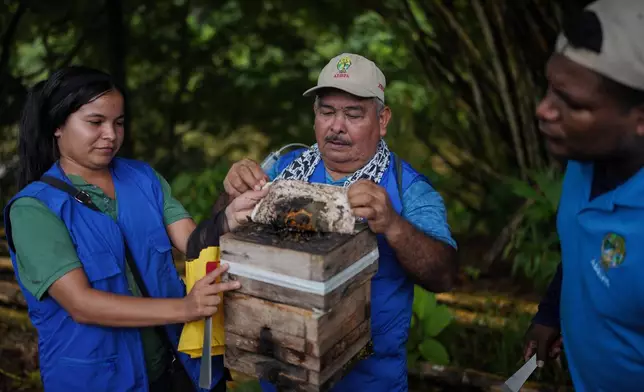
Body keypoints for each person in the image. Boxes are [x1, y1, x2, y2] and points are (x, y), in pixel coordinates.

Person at [3, 66, 268, 392]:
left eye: (119, 123)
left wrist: (227, 215)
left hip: (179, 366)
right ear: (58, 125)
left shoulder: (142, 178)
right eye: (95, 122)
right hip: (101, 380)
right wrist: (186, 308)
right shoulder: (34, 210)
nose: (111, 135)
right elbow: (81, 304)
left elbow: (194, 243)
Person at [223, 53, 458, 391]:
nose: (336, 127)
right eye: (327, 112)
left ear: (383, 119)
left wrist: (393, 224)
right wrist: (229, 191)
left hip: (370, 382)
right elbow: (214, 238)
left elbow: (445, 275)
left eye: (353, 114)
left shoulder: (409, 189)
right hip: (280, 376)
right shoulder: (283, 169)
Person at [522, 1, 644, 390]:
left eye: (572, 103)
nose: (544, 110)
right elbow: (582, 248)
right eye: (550, 88)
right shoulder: (584, 159)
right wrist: (551, 314)